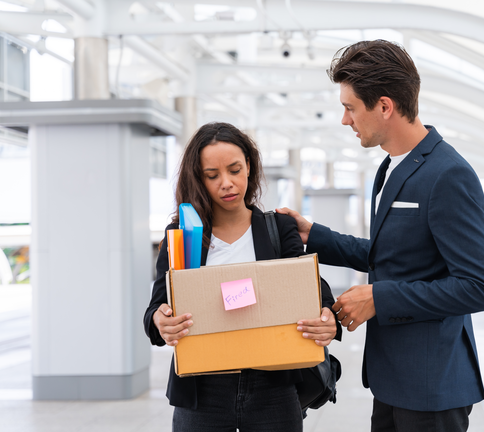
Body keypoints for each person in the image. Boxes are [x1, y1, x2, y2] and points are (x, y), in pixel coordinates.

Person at [276, 40, 484, 432]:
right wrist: (315, 236)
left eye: (349, 108)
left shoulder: (449, 175)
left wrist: (380, 297)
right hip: (392, 378)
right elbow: (393, 254)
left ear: (384, 106)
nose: (345, 120)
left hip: (432, 388)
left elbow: (481, 287)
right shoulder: (389, 168)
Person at [143, 122, 341, 432]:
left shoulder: (278, 229)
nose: (227, 183)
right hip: (201, 391)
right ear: (198, 179)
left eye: (235, 170)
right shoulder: (182, 236)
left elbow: (309, 282)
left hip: (273, 389)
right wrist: (160, 319)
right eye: (212, 175)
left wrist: (328, 314)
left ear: (249, 167)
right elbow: (157, 304)